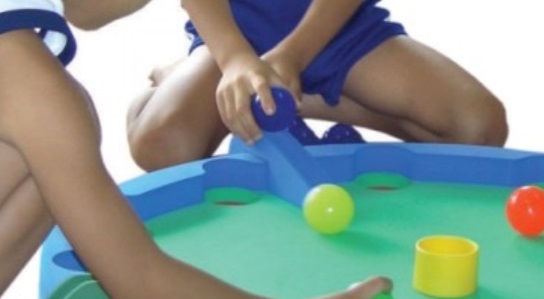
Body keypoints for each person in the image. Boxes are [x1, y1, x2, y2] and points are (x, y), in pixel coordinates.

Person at [0, 0, 398, 299]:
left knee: (51, 168)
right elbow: (143, 287)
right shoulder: (30, 82)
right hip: (40, 94)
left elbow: (84, 13)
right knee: (57, 140)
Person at [124, 0, 508, 172]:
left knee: (478, 129)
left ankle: (291, 96)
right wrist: (234, 58)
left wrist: (294, 55)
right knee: (163, 148)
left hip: (339, 29)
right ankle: (179, 76)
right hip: (234, 34)